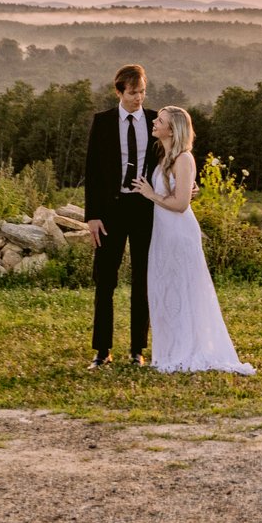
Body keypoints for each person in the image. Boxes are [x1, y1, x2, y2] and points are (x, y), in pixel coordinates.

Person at [132, 105, 255, 375]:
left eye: (160, 120)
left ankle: (188, 348)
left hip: (178, 232)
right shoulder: (164, 157)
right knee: (165, 289)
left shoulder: (184, 159)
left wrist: (150, 194)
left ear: (172, 129)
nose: (154, 122)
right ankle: (171, 349)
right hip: (163, 233)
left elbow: (179, 205)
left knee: (184, 290)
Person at [82, 63, 160, 368]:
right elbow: (92, 171)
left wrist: (186, 182)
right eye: (132, 92)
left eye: (142, 92)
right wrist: (92, 216)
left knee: (143, 280)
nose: (138, 98)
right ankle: (102, 351)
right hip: (110, 213)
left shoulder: (155, 120)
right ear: (119, 91)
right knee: (105, 281)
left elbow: (174, 155)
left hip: (144, 210)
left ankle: (138, 350)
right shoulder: (102, 122)